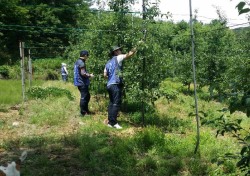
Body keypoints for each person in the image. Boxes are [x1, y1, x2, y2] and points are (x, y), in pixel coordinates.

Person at [104, 43, 141, 129]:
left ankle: (110, 122)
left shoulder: (108, 63)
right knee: (116, 103)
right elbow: (130, 54)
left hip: (109, 84)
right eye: (119, 50)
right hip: (115, 84)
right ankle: (114, 123)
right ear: (116, 52)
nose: (121, 51)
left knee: (111, 103)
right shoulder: (118, 57)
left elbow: (105, 75)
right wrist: (138, 45)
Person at [74, 50, 94, 116]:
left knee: (87, 96)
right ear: (85, 55)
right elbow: (83, 73)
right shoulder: (81, 62)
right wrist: (90, 75)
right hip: (82, 82)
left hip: (79, 82)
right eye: (87, 56)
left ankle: (86, 110)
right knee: (84, 97)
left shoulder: (77, 61)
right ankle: (83, 112)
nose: (87, 57)